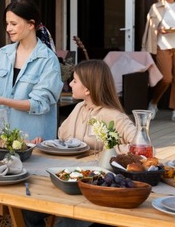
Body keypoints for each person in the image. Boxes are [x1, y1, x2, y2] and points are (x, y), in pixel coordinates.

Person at [27, 60, 138, 227]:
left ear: (87, 89)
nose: (70, 83)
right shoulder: (80, 107)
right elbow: (64, 137)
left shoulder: (114, 116)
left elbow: (142, 148)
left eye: (75, 80)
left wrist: (109, 151)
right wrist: (46, 143)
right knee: (27, 208)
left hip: (93, 187)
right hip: (69, 178)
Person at [0, 0, 63, 140]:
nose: (8, 28)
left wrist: (2, 101)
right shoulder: (3, 53)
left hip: (32, 141)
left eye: (13, 24)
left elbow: (39, 104)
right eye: (7, 24)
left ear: (31, 24)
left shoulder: (48, 60)